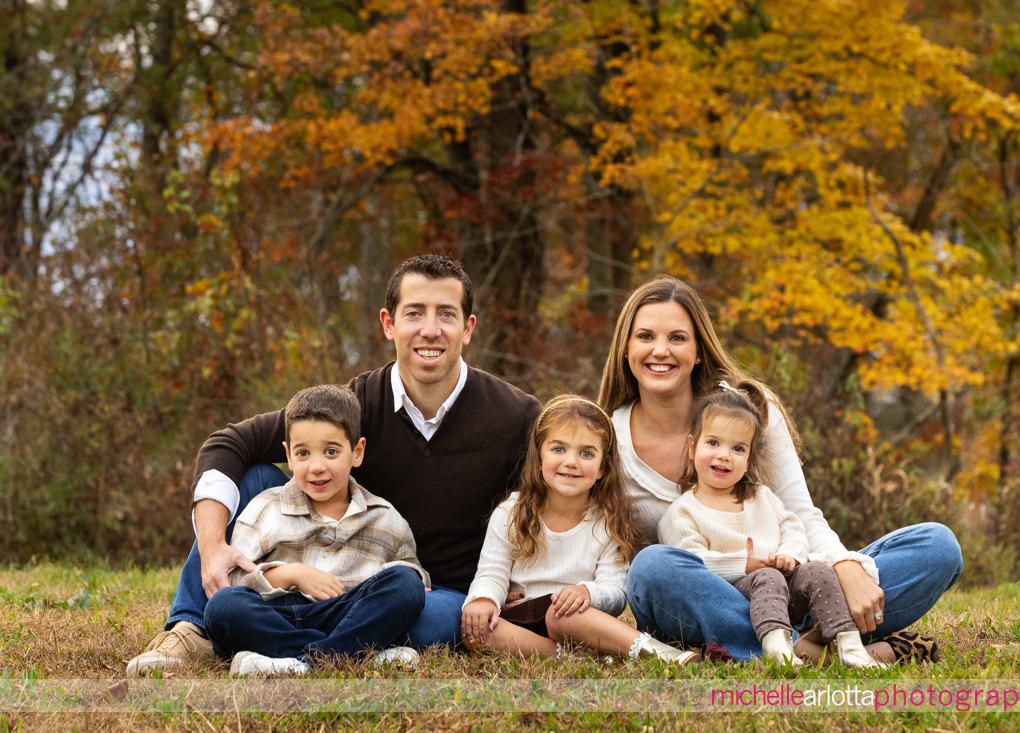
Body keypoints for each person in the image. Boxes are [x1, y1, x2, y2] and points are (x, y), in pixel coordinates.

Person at [127, 253, 541, 676]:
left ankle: (294, 656)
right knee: (253, 477)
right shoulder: (353, 406)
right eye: (414, 313)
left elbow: (563, 496)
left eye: (446, 315)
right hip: (325, 585)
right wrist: (214, 548)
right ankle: (191, 628)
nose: (430, 330)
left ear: (468, 328)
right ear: (388, 324)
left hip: (430, 591)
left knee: (434, 621)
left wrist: (518, 577)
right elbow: (228, 443)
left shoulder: (516, 415)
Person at [598, 275, 963, 663]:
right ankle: (813, 649)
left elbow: (800, 514)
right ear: (625, 348)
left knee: (937, 546)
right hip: (703, 602)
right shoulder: (606, 440)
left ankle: (780, 643)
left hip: (794, 590)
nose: (660, 350)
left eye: (676, 338)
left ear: (699, 350)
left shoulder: (750, 409)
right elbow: (597, 551)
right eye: (645, 337)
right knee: (652, 567)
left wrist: (844, 565)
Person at [204, 385, 428, 676]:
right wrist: (292, 574)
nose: (317, 466)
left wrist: (402, 584)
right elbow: (236, 579)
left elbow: (412, 577)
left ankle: (296, 663)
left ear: (357, 452)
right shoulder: (266, 507)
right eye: (303, 453)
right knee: (224, 607)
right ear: (288, 455)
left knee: (404, 585)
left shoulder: (384, 517)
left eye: (331, 452)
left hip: (348, 614)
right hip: (278, 614)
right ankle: (347, 656)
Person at [658, 382, 884, 669]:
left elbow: (794, 527)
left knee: (818, 569)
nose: (724, 455)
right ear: (692, 447)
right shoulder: (682, 513)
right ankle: (777, 648)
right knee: (767, 577)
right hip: (735, 599)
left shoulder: (761, 498)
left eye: (738, 448)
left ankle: (849, 645)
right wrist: (745, 564)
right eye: (713, 443)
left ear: (749, 459)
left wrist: (789, 554)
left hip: (785, 591)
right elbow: (692, 565)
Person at [461, 395, 698, 663]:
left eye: (586, 453)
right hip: (521, 621)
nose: (571, 461)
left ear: (602, 468)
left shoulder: (607, 522)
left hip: (578, 620)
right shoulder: (511, 512)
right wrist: (484, 600)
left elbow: (616, 591)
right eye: (558, 449)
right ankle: (578, 659)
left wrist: (587, 592)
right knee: (477, 632)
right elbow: (491, 573)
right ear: (539, 456)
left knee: (561, 615)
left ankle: (660, 655)